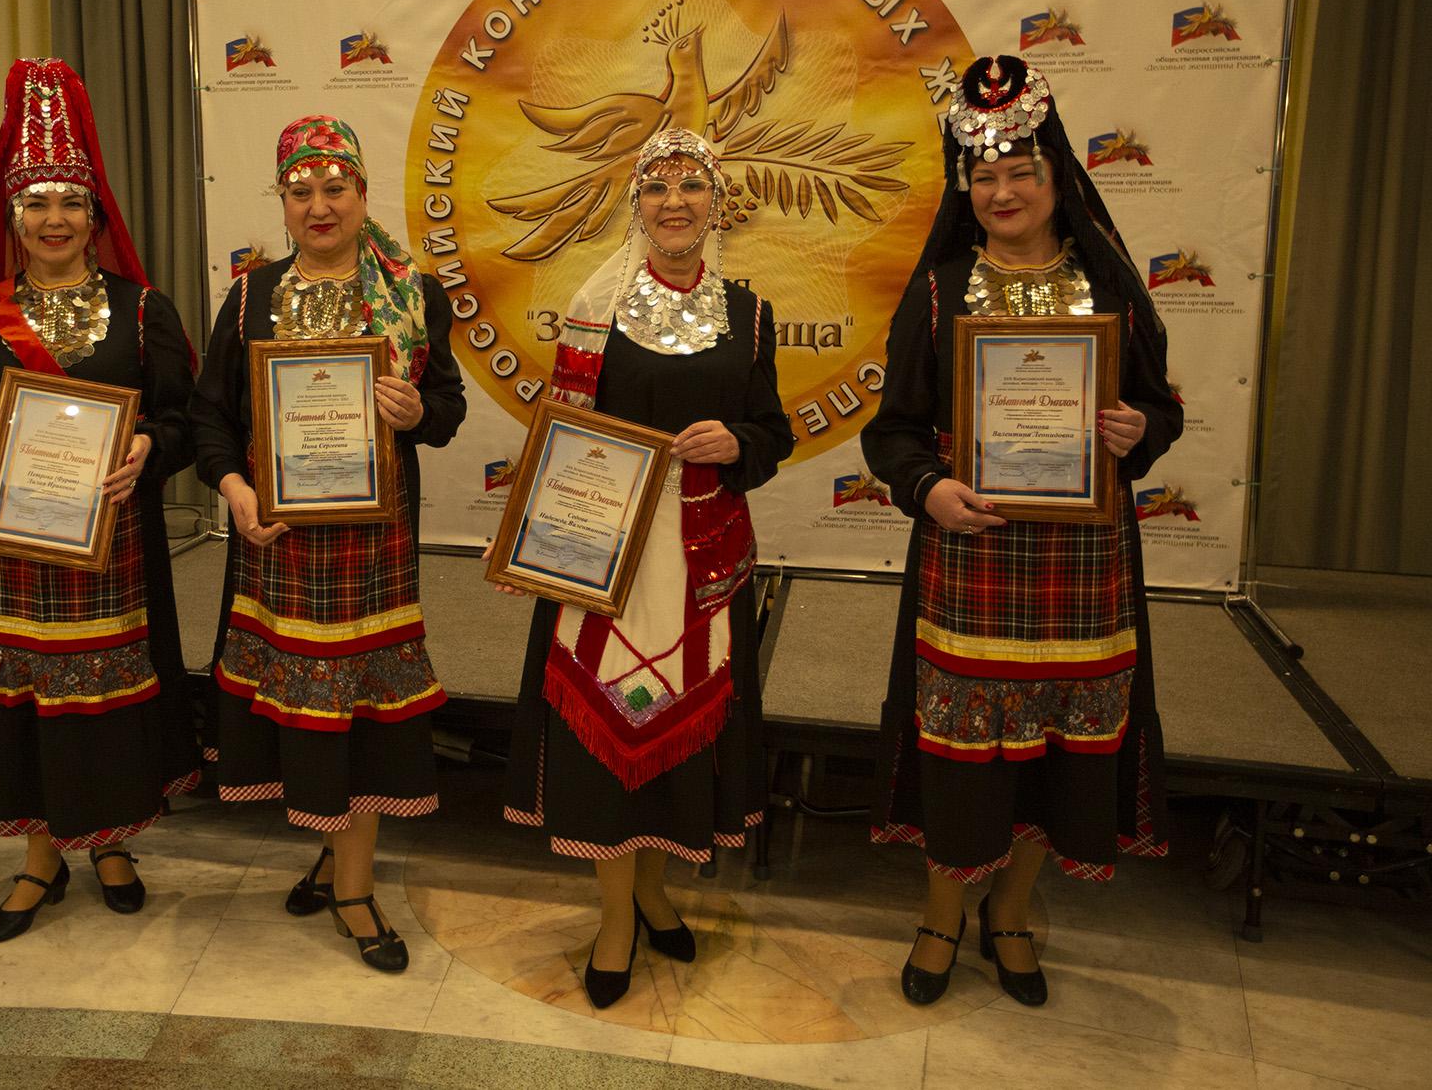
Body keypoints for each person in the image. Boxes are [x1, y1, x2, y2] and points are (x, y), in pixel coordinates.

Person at [862, 54, 1182, 1007]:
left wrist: (1139, 429)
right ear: (965, 187)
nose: (1002, 192)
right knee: (957, 750)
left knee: (1060, 750)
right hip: (970, 557)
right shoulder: (938, 292)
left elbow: (1161, 410)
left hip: (1084, 567)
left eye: (1021, 172)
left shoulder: (1111, 289)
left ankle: (1010, 910)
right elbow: (890, 433)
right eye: (984, 175)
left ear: (1057, 178)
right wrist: (927, 488)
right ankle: (941, 915)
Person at [491, 127, 794, 1009]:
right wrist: (531, 541)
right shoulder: (595, 308)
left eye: (691, 186)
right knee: (605, 735)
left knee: (677, 741)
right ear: (637, 204)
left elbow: (772, 432)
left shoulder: (751, 313)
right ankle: (617, 915)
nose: (674, 203)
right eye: (657, 187)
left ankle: (657, 890)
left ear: (716, 203)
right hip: (605, 562)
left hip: (703, 562)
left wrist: (738, 441)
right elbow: (562, 438)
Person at [0, 58, 199, 943]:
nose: (54, 219)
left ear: (96, 216)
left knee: (108, 703)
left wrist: (149, 447)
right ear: (14, 217)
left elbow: (185, 418)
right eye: (37, 203)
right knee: (31, 705)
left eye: (70, 203)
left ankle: (110, 843)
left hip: (114, 547)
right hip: (14, 549)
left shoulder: (144, 310)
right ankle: (41, 857)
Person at [191, 115, 465, 973]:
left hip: (372, 549)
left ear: (362, 194)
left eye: (334, 187)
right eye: (300, 190)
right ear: (281, 201)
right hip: (275, 542)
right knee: (308, 715)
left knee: (365, 713)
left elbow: (448, 408)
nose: (319, 205)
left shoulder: (412, 293)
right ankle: (332, 852)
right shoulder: (250, 296)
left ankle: (353, 887)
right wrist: (234, 490)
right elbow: (209, 418)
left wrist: (417, 412)